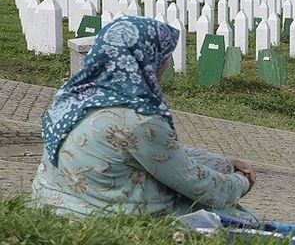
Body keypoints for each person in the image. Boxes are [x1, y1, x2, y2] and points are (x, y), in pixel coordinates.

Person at [31, 16, 257, 220]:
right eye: (164, 56)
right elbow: (198, 186)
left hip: (51, 204)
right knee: (236, 219)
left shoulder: (73, 96)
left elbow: (161, 152)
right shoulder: (138, 118)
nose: (166, 64)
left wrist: (224, 163)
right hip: (105, 216)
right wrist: (241, 182)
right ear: (145, 59)